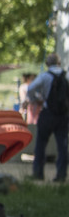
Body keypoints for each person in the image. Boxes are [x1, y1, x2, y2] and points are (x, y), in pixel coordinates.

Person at [27, 53, 68, 182]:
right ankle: (61, 175)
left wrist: (36, 99)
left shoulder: (44, 76)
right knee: (63, 146)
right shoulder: (66, 75)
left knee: (41, 144)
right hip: (63, 115)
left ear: (47, 64)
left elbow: (30, 88)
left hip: (48, 113)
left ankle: (38, 173)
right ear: (59, 63)